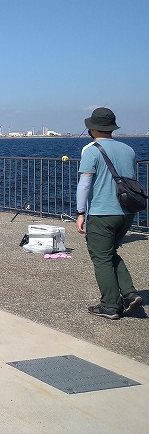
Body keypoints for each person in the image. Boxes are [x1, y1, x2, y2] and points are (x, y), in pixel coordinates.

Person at [76, 107, 143, 320]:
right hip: (126, 211)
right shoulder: (128, 150)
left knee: (101, 258)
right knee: (109, 253)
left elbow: (85, 184)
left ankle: (110, 306)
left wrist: (80, 212)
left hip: (102, 214)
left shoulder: (92, 151)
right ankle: (130, 294)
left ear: (92, 128)